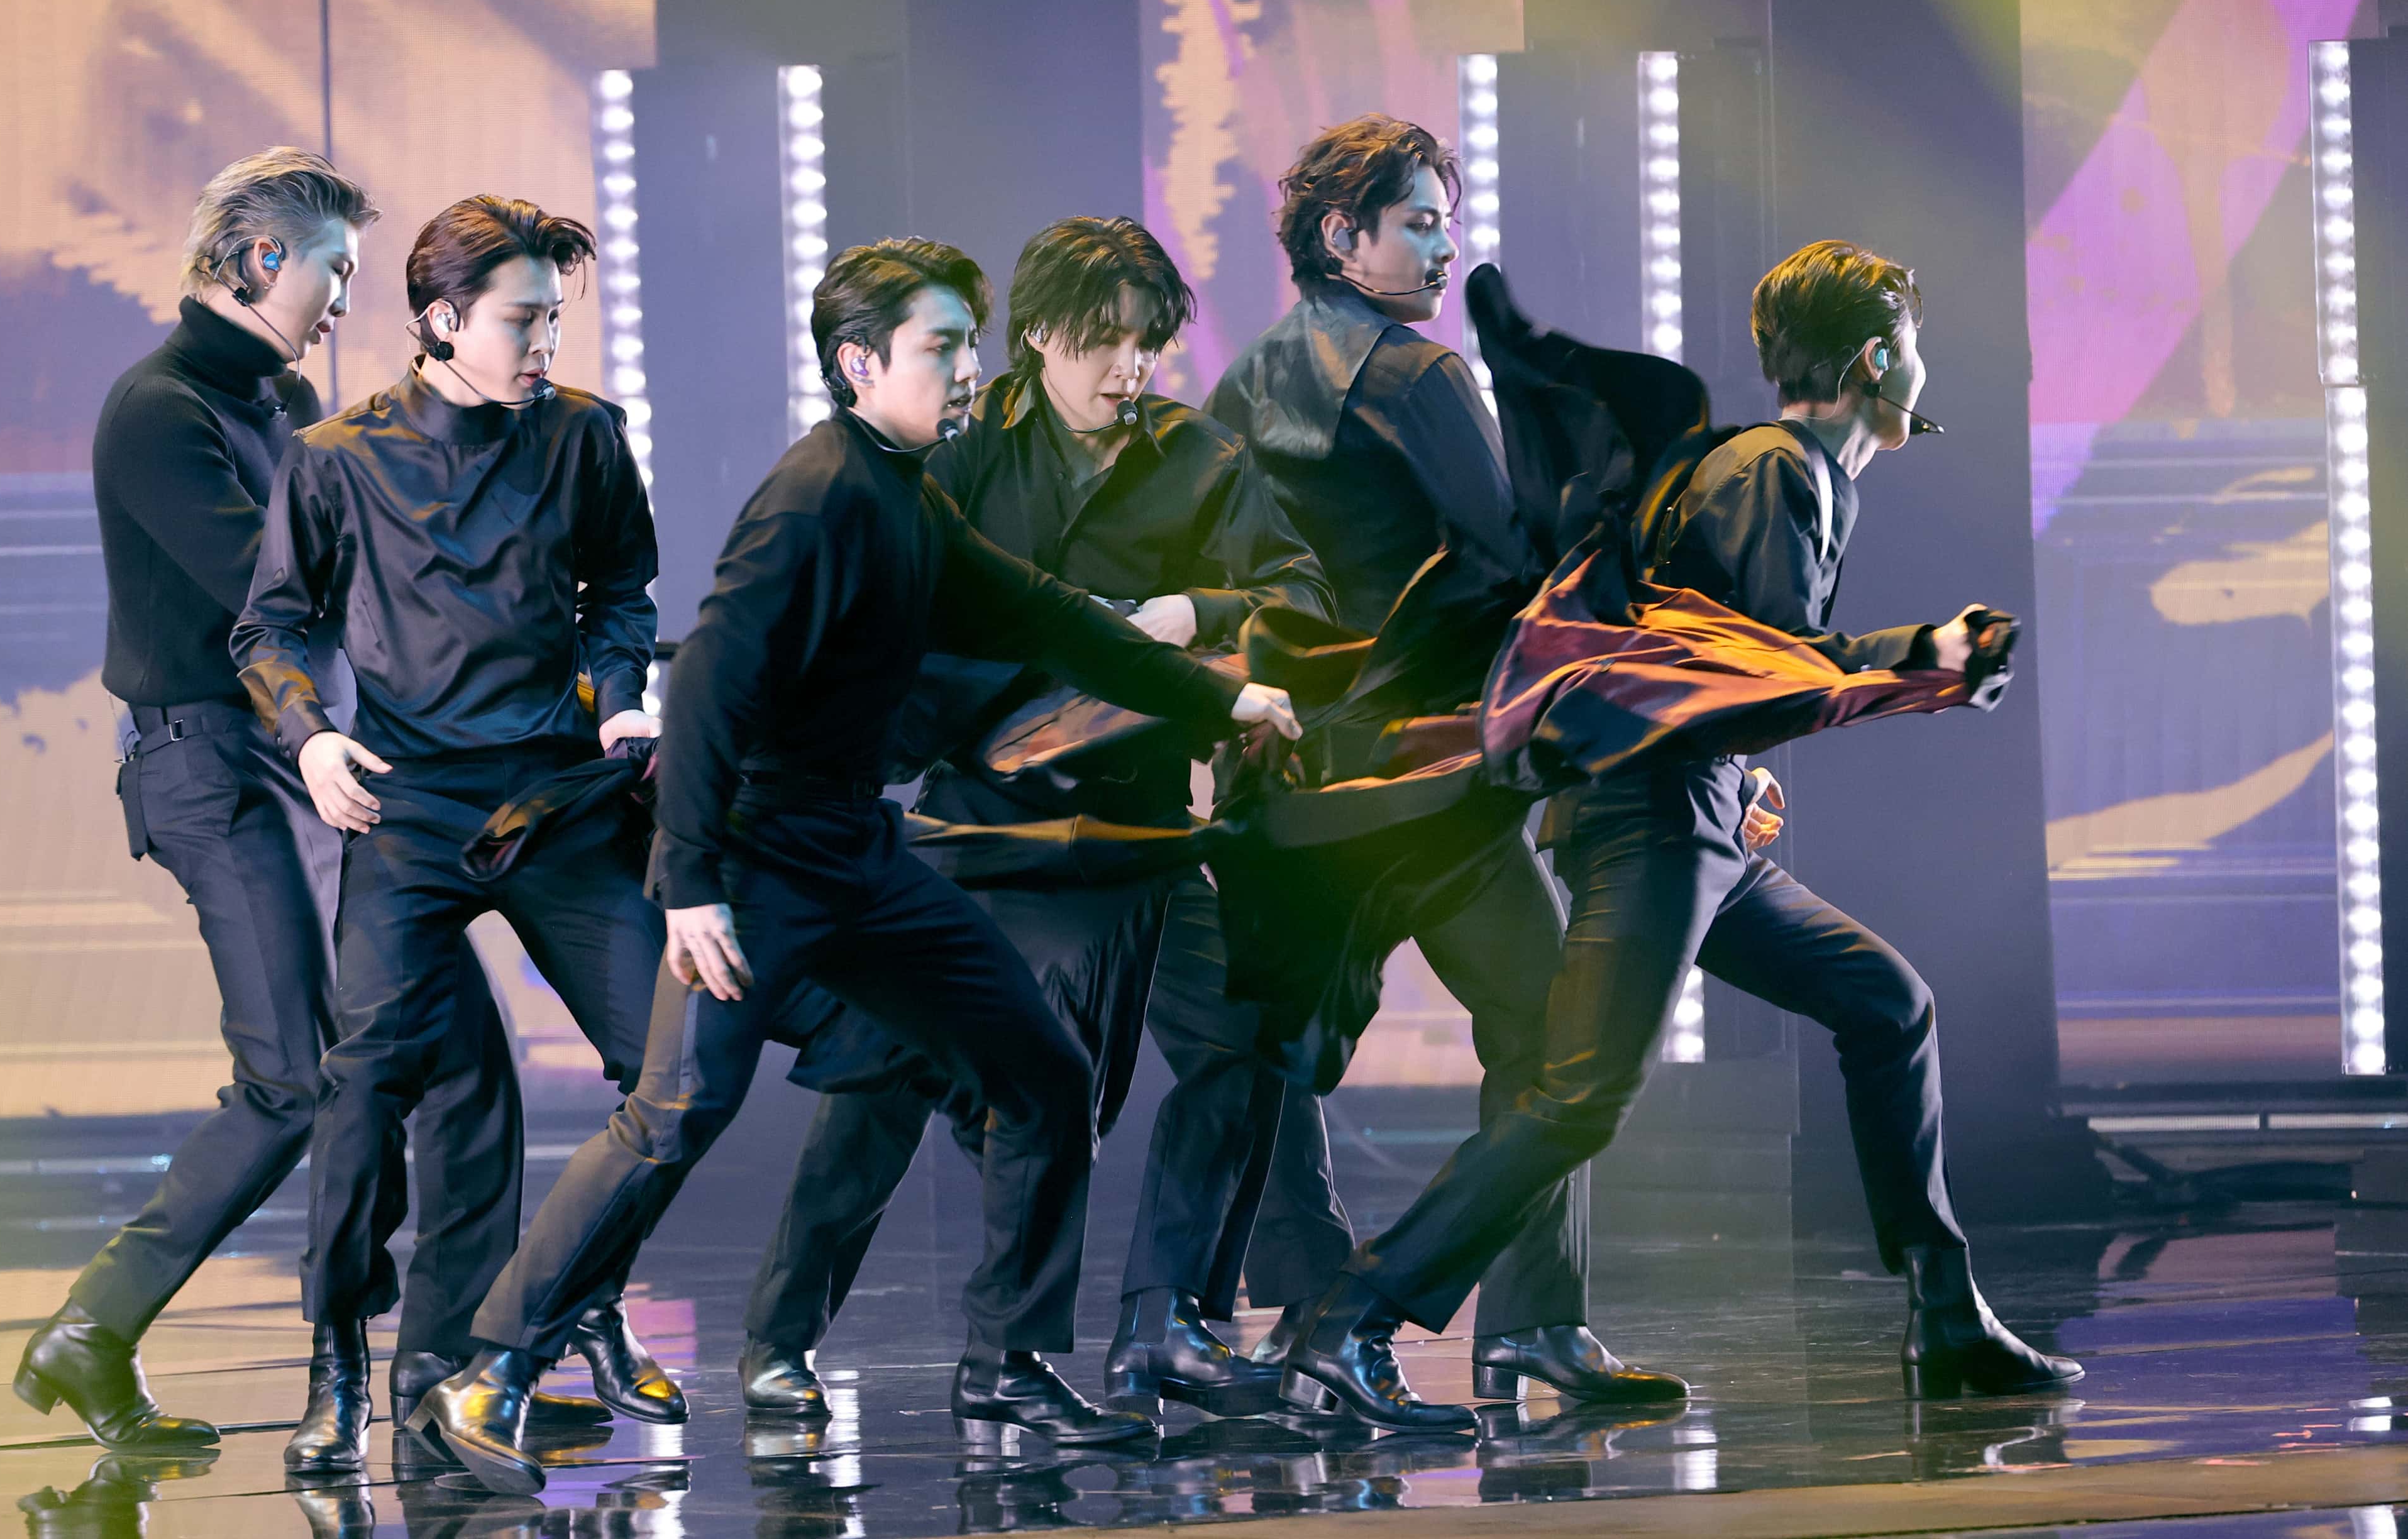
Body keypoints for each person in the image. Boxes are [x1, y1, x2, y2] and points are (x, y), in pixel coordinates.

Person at [406, 238, 1305, 1496]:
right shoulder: (818, 493)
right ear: (860, 361)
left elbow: (1048, 617)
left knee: (1040, 1076)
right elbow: (713, 685)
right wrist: (690, 885)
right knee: (677, 1115)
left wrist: (1226, 696)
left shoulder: (908, 491)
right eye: (941, 347)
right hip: (758, 865)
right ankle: (489, 1366)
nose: (965, 369)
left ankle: (1012, 1371)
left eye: (965, 344)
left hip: (860, 861)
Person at [1275, 238, 2081, 1415]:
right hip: (1652, 821)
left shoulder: (1787, 472)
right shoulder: (1777, 471)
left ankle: (1947, 1313)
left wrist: (1756, 758)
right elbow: (1754, 668)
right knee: (1581, 1093)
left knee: (1885, 1002)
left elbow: (1712, 667)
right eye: (1915, 343)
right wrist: (1928, 658)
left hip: (1690, 816)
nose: (1925, 364)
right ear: (1876, 357)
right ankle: (1352, 1318)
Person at [732, 218, 1330, 1421]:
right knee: (886, 1069)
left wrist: (1181, 612)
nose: (1127, 369)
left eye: (1148, 345)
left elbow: (1299, 596)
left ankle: (1167, 1323)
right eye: (1101, 341)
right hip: (979, 819)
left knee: (1250, 1036)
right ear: (1038, 335)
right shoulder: (955, 444)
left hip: (1145, 825)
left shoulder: (1201, 457)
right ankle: (781, 1340)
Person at [1203, 115, 1678, 1426]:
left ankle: (1290, 1323)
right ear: (1342, 237)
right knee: (1547, 1039)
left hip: (1295, 782)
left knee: (1278, 1062)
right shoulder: (1419, 377)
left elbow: (1213, 570)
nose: (1445, 239)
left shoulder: (1242, 384)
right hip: (1427, 781)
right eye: (1418, 218)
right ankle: (1517, 1324)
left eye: (1441, 215)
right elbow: (1517, 574)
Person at [231, 196, 671, 1474]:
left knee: (672, 1071)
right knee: (364, 1082)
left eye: (551, 318)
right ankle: (335, 1371)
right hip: (411, 804)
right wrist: (312, 738)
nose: (544, 341)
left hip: (559, 795)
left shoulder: (586, 436)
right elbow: (268, 630)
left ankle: (576, 1302)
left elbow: (622, 593)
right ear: (440, 320)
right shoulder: (335, 457)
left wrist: (624, 692)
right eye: (521, 319)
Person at [14, 148, 411, 1452]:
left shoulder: (281, 396)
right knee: (294, 1077)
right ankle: (94, 1327)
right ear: (258, 263)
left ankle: (376, 1356)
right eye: (333, 271)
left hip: (291, 757)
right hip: (207, 763)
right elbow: (272, 589)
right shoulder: (160, 408)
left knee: (364, 1059)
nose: (346, 298)